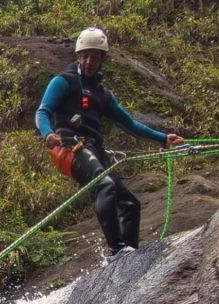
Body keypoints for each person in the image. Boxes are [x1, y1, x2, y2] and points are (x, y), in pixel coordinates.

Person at [35, 26, 185, 256]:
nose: (88, 61)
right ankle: (116, 250)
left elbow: (131, 125)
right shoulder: (63, 81)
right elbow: (43, 111)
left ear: (102, 59)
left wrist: (163, 138)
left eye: (94, 57)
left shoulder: (104, 95)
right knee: (106, 185)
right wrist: (48, 134)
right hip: (69, 147)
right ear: (78, 56)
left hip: (94, 150)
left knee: (130, 204)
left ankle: (130, 253)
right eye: (84, 56)